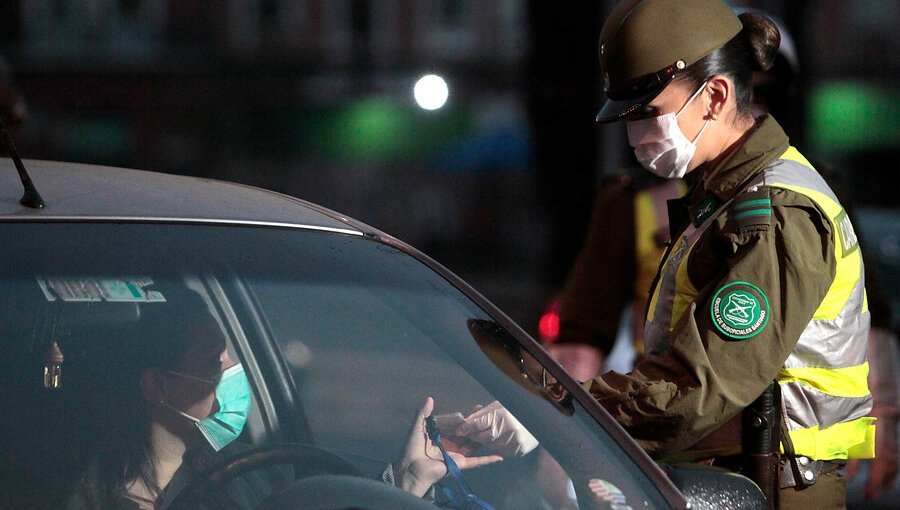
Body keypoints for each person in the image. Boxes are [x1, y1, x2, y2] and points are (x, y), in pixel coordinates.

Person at [584, 1, 875, 508]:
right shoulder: (722, 197)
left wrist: (569, 413)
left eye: (649, 113)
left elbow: (698, 386)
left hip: (772, 487)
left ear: (715, 95)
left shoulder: (776, 213)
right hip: (729, 480)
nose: (636, 135)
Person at [64, 288, 530, 509]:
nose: (230, 375)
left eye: (231, 360)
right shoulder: (89, 495)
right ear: (157, 385)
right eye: (212, 363)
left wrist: (404, 481)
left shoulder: (252, 473)